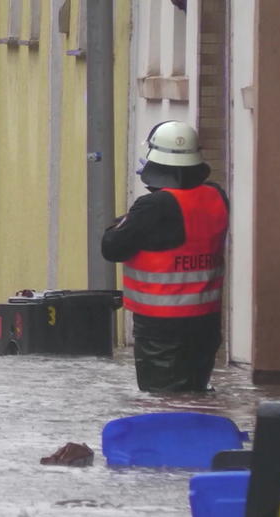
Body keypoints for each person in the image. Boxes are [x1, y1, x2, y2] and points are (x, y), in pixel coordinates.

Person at [101, 120, 229, 392]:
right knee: (194, 396)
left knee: (161, 403)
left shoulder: (153, 207)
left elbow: (111, 247)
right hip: (205, 323)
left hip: (161, 331)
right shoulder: (216, 196)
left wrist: (125, 220)